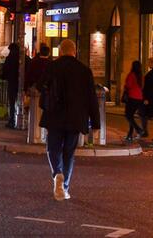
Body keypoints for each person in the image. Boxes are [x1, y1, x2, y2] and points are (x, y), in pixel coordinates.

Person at [39, 39, 99, 201]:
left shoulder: (52, 67)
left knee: (53, 149)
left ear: (60, 51)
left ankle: (57, 173)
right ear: (75, 51)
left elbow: (41, 86)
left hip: (54, 115)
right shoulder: (84, 70)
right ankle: (64, 187)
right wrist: (95, 123)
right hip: (75, 118)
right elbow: (92, 98)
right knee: (69, 153)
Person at [122, 60, 146, 142]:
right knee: (131, 116)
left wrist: (125, 86)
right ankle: (130, 135)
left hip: (132, 97)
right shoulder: (141, 76)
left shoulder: (131, 75)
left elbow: (128, 85)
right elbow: (142, 87)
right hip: (139, 98)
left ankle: (138, 129)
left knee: (128, 115)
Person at [1, 43, 21, 128]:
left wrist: (3, 76)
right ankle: (20, 121)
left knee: (12, 102)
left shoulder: (9, 58)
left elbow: (5, 69)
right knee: (20, 102)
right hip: (20, 82)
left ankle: (12, 120)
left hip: (12, 82)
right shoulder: (23, 57)